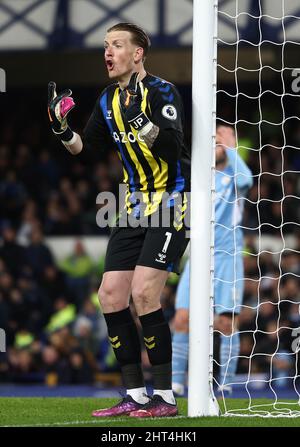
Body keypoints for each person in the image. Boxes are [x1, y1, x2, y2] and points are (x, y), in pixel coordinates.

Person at [47, 22, 190, 418]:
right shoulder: (109, 99)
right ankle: (135, 395)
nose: (108, 52)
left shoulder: (162, 91)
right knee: (110, 294)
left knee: (145, 294)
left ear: (138, 53)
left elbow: (171, 146)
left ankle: (165, 396)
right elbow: (84, 148)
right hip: (131, 205)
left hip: (172, 201)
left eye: (117, 45)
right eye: (105, 46)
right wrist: (61, 129)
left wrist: (140, 120)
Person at [172, 125, 253, 396]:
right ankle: (174, 384)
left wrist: (231, 147)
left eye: (223, 138)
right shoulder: (199, 174)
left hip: (228, 258)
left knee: (225, 323)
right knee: (182, 317)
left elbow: (247, 181)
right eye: (214, 138)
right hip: (197, 257)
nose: (217, 141)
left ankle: (226, 385)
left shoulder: (236, 173)